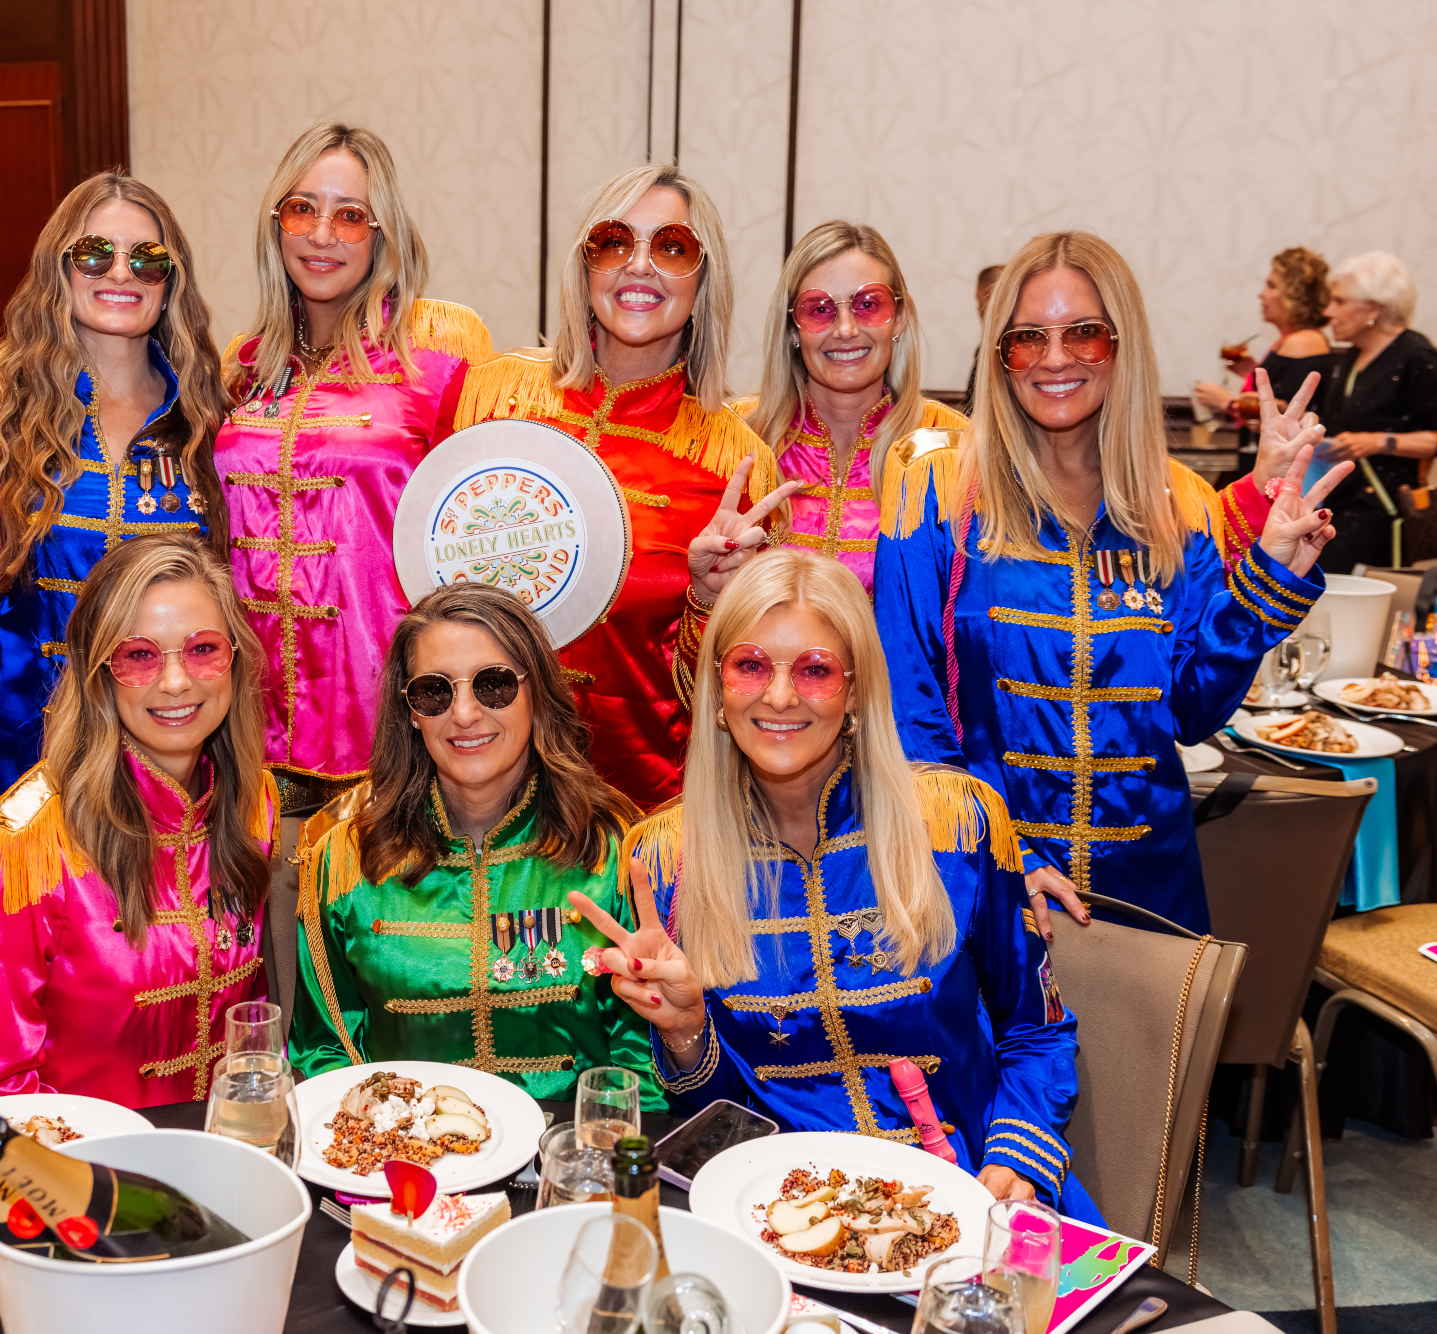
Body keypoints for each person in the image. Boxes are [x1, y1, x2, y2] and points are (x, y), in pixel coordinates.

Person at [587, 548, 1100, 1217]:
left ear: (856, 691)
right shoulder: (666, 861)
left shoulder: (956, 825)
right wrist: (684, 1032)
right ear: (717, 691)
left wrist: (1015, 1159)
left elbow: (1037, 1032)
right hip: (784, 1212)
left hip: (965, 1190)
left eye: (816, 670)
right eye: (750, 666)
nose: (778, 696)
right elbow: (713, 1117)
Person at [873, 231, 1345, 934]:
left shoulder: (1177, 507)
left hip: (1151, 901)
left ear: (1121, 346)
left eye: (1084, 334)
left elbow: (1190, 711)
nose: (1055, 358)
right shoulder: (936, 496)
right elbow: (907, 712)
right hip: (985, 895)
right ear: (1001, 356)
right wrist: (1006, 858)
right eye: (1028, 337)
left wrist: (1265, 584)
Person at [453, 163, 761, 809]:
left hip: (639, 816)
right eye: (615, 242)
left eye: (673, 247)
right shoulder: (490, 400)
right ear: (585, 267)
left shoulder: (736, 465)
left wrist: (706, 599)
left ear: (705, 281)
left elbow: (740, 694)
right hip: (475, 801)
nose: (639, 267)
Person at [214, 123, 491, 835]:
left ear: (382, 235)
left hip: (387, 731)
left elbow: (476, 558)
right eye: (303, 210)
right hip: (241, 732)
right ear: (276, 227)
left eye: (350, 215)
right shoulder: (238, 369)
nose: (323, 234)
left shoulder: (440, 374)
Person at [290, 581, 663, 1107]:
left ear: (536, 694)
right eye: (435, 691)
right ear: (411, 713)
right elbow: (323, 1052)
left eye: (493, 685)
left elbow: (641, 1061)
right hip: (407, 1166)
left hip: (570, 1161)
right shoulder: (346, 859)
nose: (464, 714)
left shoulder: (612, 846)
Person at [0, 536, 279, 1107]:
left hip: (225, 1156)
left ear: (234, 659)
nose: (176, 682)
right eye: (140, 655)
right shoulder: (31, 843)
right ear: (99, 671)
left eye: (202, 649)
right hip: (74, 1171)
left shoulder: (251, 801)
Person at [0, 174, 227, 805]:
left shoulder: (210, 416)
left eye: (148, 258)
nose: (122, 273)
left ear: (172, 278)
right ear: (60, 267)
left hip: (173, 734)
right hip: (29, 735)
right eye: (95, 254)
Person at [727, 221, 967, 595]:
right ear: (793, 329)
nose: (845, 329)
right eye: (819, 309)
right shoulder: (734, 435)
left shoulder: (955, 447)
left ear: (899, 317)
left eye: (868, 305)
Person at [1312, 251, 1437, 572]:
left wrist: (1380, 442)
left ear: (1372, 309)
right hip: (1337, 507)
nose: (1328, 312)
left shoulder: (1416, 355)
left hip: (1383, 514)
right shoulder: (1348, 359)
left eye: (1339, 301)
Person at [1193, 247, 1334, 418]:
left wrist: (1226, 402)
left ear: (1294, 296)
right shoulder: (1290, 339)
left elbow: (1287, 418)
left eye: (1272, 286)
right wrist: (1251, 372)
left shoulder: (1301, 342)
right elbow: (1277, 393)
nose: (1261, 294)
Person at [959, 264, 1002, 417]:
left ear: (988, 295)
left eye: (978, 301)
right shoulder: (984, 351)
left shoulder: (1000, 354)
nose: (978, 309)